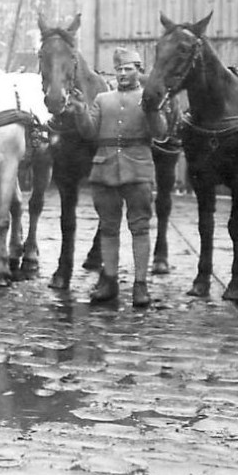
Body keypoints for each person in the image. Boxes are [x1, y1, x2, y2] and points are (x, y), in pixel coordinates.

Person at [65, 46, 162, 309]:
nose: (122, 74)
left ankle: (140, 285)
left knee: (139, 227)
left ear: (138, 71)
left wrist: (153, 110)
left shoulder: (148, 98)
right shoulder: (102, 99)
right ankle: (109, 281)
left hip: (138, 171)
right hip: (104, 171)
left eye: (128, 69)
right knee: (108, 228)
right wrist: (80, 110)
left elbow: (160, 131)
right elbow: (89, 133)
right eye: (118, 69)